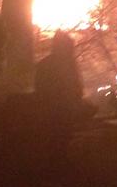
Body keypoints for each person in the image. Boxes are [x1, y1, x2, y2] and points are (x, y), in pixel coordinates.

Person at [35, 31, 96, 165]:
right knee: (84, 110)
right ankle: (61, 154)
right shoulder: (68, 65)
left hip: (45, 106)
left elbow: (38, 89)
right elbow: (77, 90)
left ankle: (55, 152)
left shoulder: (42, 64)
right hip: (64, 107)